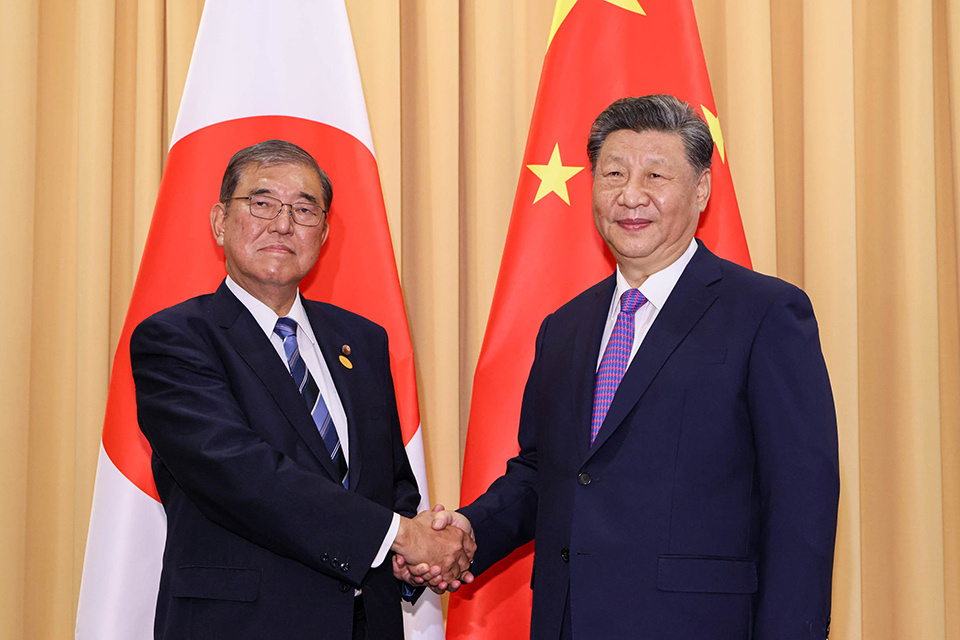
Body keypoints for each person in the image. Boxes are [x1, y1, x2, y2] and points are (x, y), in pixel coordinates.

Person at [409, 95, 840, 639]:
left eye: (656, 174)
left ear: (702, 189)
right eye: (613, 174)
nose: (630, 195)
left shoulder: (766, 314)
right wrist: (468, 530)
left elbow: (802, 502)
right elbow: (548, 472)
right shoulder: (564, 326)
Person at [131, 139, 474, 640]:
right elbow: (241, 474)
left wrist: (410, 559)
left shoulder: (362, 340)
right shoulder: (176, 338)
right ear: (220, 222)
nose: (283, 224)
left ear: (324, 233)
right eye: (262, 203)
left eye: (304, 209)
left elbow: (389, 483)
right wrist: (399, 536)